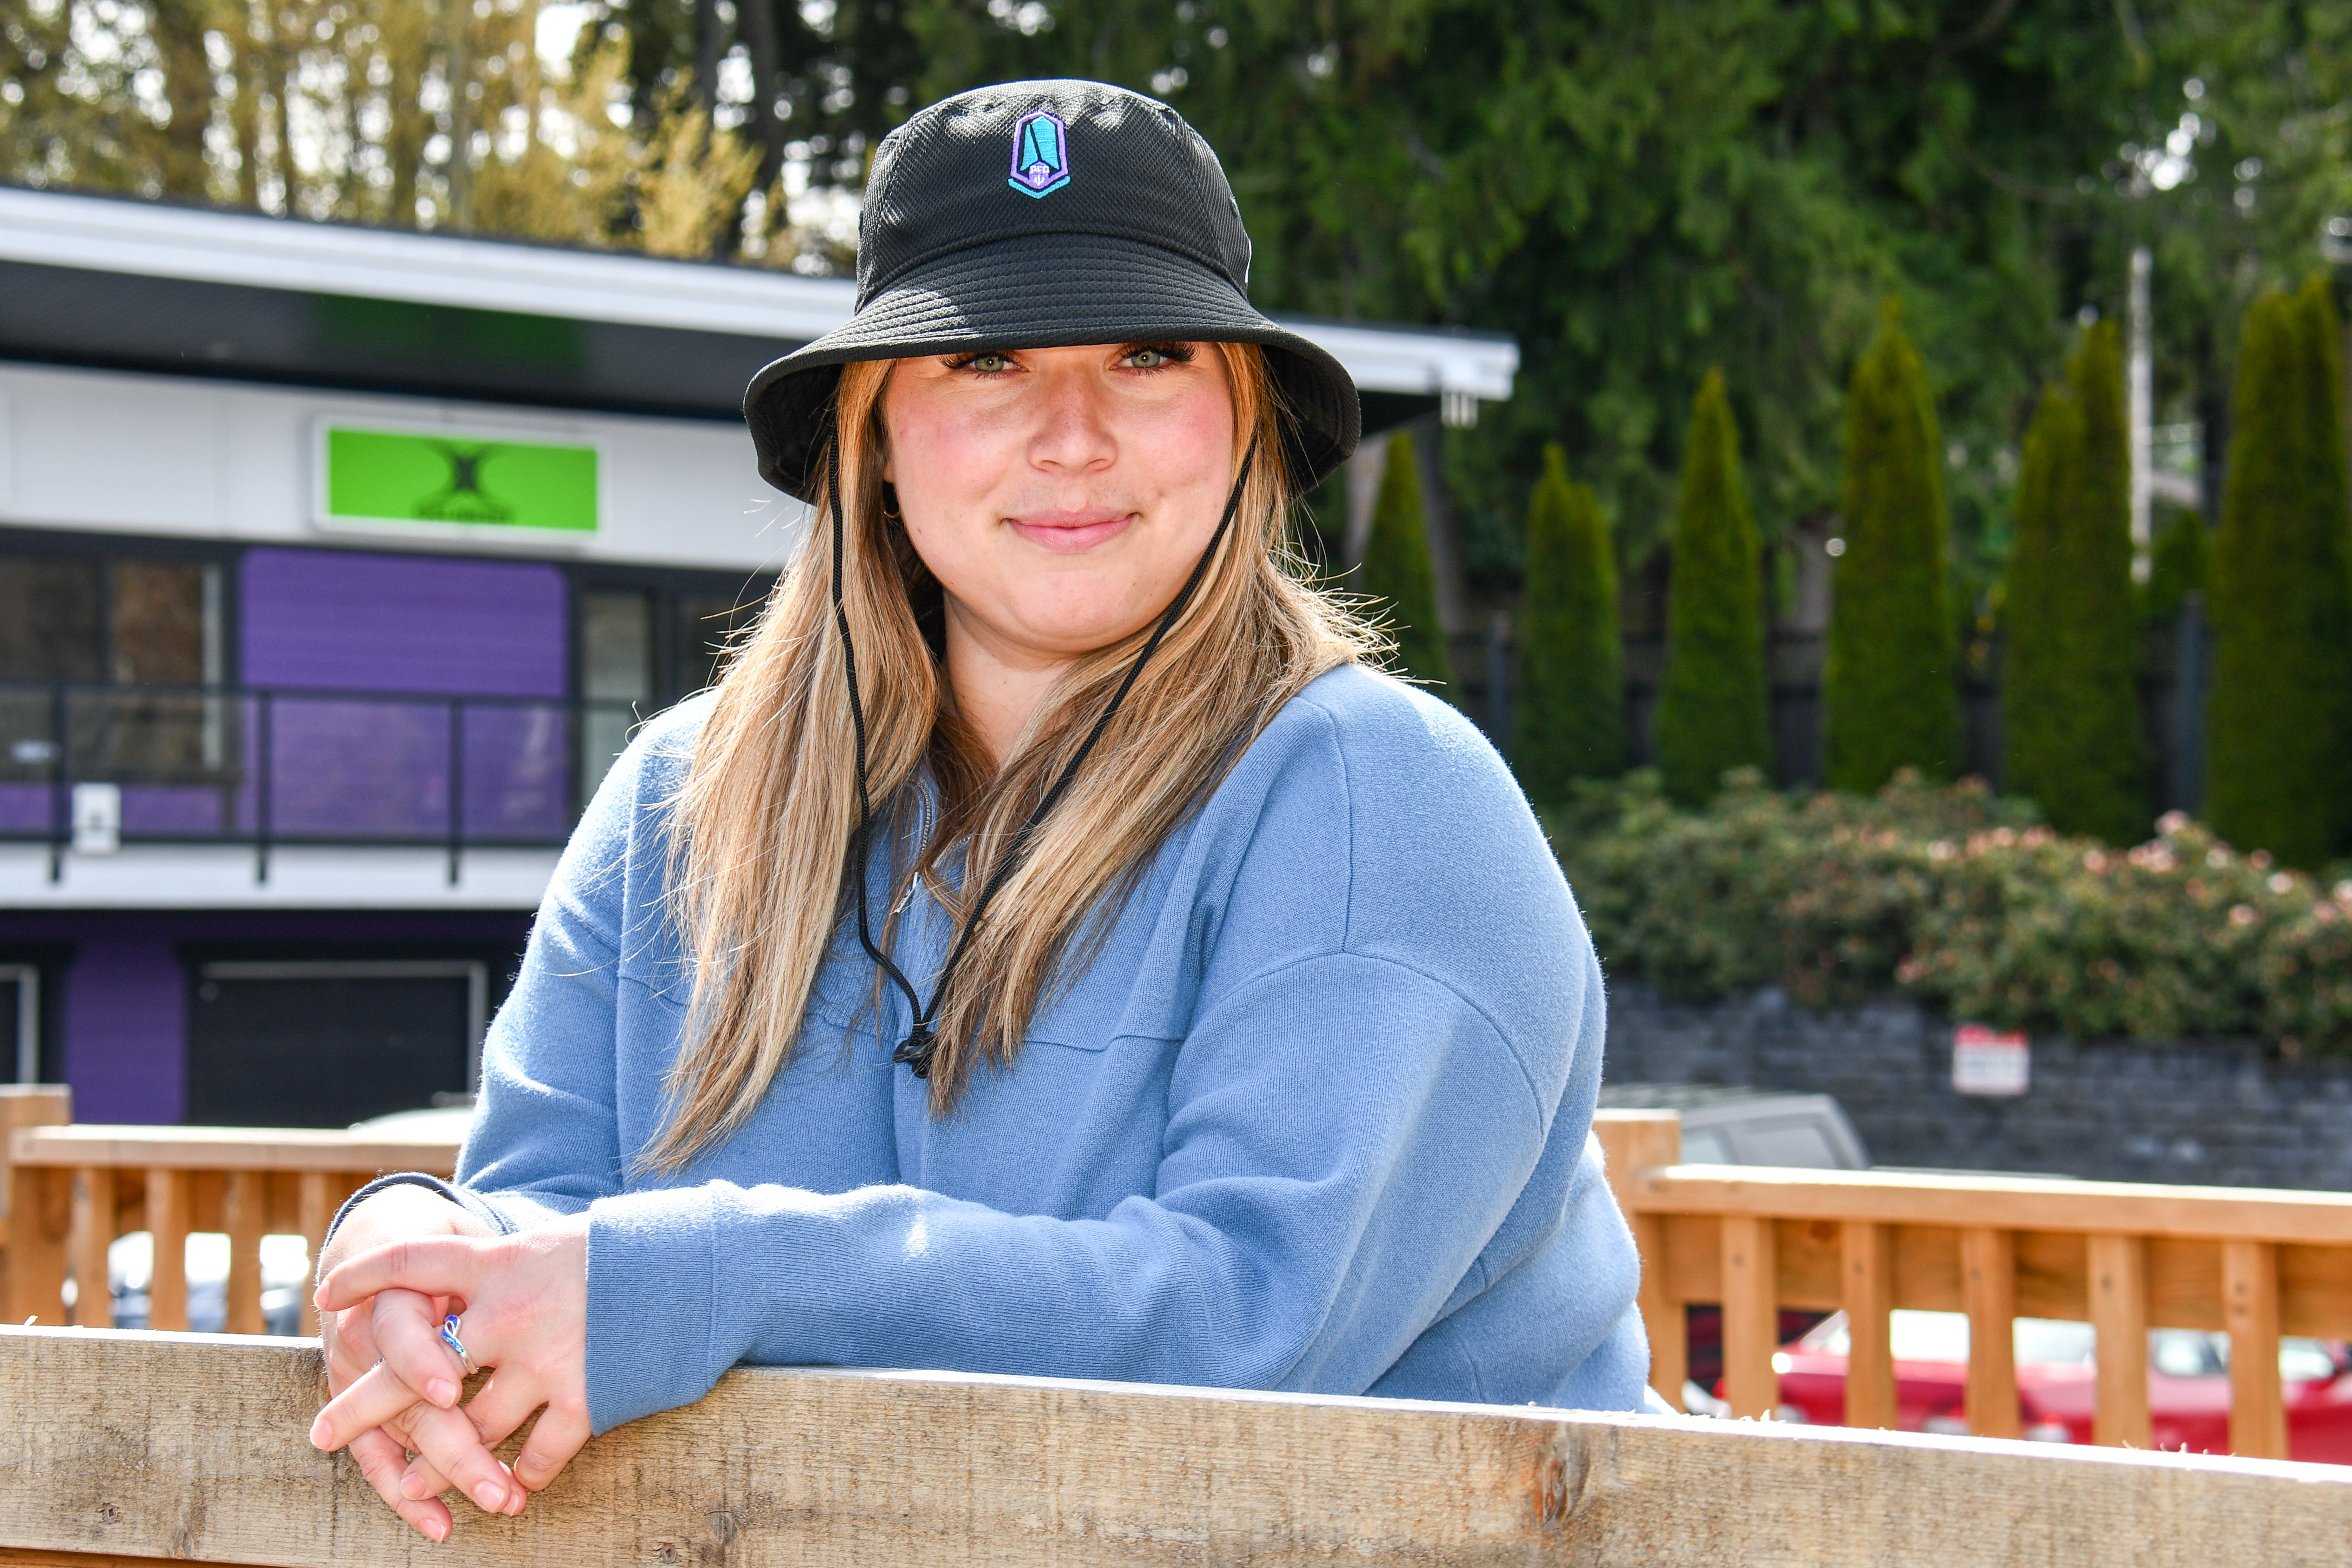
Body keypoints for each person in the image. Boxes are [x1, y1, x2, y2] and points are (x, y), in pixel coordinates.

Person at [306, 78, 1650, 1543]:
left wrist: (711, 1279)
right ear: (872, 437)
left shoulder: (1374, 790)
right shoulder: (682, 800)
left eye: (1147, 355)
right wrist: (418, 1248)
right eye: (985, 361)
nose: (1071, 436)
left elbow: (1249, 1325)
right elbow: (544, 1218)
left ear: (1241, 421)